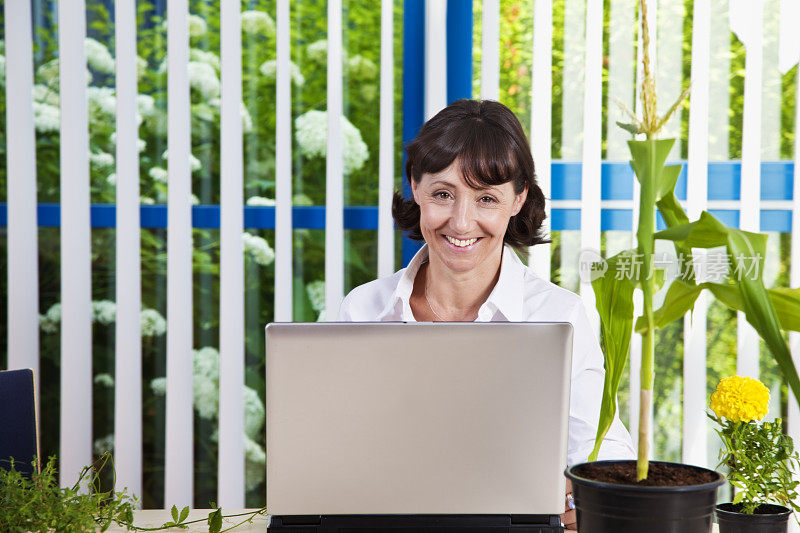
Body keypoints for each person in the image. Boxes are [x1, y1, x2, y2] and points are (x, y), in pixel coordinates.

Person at [337, 99, 635, 529]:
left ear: (518, 200)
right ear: (415, 188)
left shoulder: (557, 315)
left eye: (486, 199)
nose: (461, 222)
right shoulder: (364, 307)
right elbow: (339, 449)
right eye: (443, 194)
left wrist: (591, 496)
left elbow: (601, 449)